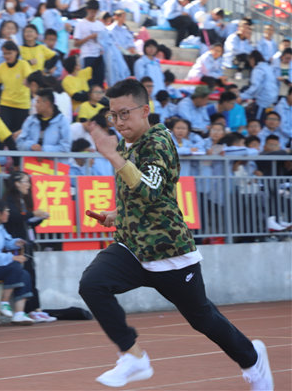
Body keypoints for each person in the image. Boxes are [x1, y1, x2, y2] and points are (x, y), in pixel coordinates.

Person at [80, 78, 274, 389]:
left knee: (202, 318)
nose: (118, 122)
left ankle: (252, 359)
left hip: (168, 252)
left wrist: (113, 157)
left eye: (124, 114)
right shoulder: (127, 143)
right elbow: (140, 195)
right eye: (113, 115)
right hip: (132, 246)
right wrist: (117, 213)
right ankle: (132, 355)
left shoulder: (158, 142)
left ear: (145, 110)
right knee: (92, 284)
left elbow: (152, 189)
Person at [2, 171, 55, 322]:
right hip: (16, 246)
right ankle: (27, 310)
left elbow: (26, 222)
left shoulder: (23, 200)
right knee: (25, 276)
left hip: (27, 243)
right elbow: (14, 218)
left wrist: (39, 218)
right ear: (16, 183)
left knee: (32, 276)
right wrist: (32, 214)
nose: (28, 185)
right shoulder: (9, 200)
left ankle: (36, 309)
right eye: (25, 181)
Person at [0, 40, 33, 133]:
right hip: (6, 104)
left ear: (16, 52)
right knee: (4, 132)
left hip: (22, 104)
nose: (7, 56)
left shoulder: (24, 64)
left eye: (9, 53)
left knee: (17, 133)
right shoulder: (1, 67)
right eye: (5, 53)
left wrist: (27, 81)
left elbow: (30, 79)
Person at [17, 88, 72, 154]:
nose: (35, 105)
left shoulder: (62, 121)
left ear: (47, 103)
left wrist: (43, 149)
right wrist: (31, 146)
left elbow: (65, 148)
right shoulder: (30, 120)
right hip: (31, 160)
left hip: (53, 161)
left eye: (38, 102)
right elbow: (19, 143)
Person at [73, 0, 105, 87]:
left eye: (95, 11)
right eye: (92, 11)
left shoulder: (100, 25)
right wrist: (89, 37)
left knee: (99, 82)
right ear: (87, 10)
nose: (93, 13)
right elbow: (76, 43)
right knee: (88, 82)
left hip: (99, 54)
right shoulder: (81, 24)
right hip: (87, 55)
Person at [240, 50, 279, 121]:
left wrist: (242, 96)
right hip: (272, 98)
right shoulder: (268, 67)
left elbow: (255, 87)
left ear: (252, 59)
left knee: (258, 121)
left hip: (264, 100)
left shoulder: (258, 70)